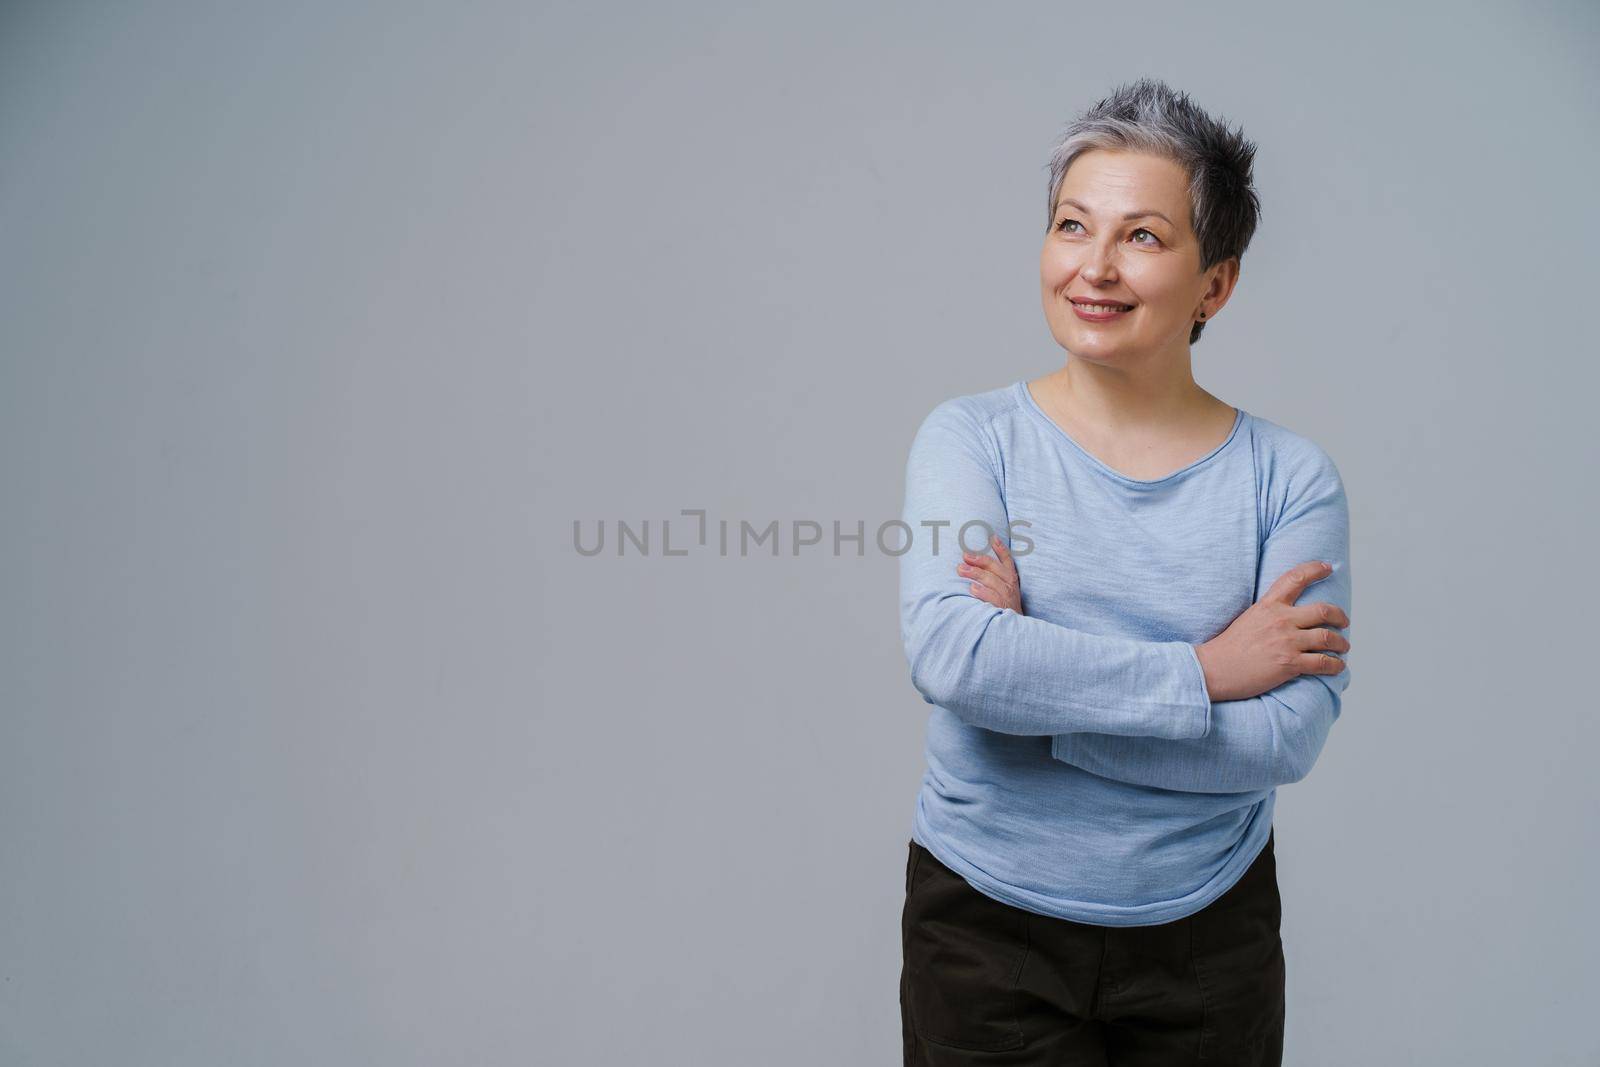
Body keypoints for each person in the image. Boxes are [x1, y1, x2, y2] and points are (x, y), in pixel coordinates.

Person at [897, 78, 1353, 1066]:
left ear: (1214, 284)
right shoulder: (971, 438)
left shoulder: (1288, 478)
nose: (1092, 267)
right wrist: (1204, 672)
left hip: (1209, 934)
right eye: (1071, 225)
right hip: (985, 922)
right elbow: (953, 654)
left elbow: (1283, 734)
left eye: (1141, 236)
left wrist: (1036, 705)